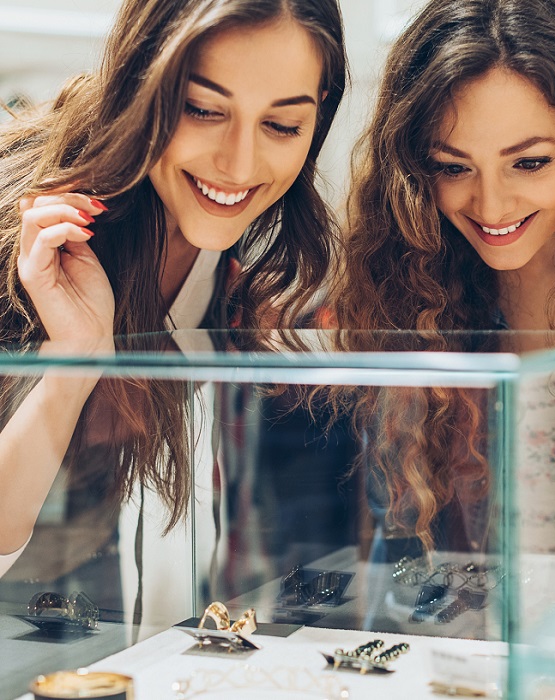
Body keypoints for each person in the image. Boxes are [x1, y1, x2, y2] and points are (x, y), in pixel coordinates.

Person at [0, 0, 347, 626]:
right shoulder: (29, 238)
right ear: (142, 82)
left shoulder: (245, 276)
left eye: (283, 125)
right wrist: (70, 373)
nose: (239, 165)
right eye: (204, 110)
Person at [332, 0, 555, 557]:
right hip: (467, 634)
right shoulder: (406, 281)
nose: (492, 205)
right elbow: (400, 530)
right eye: (453, 167)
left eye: (529, 162)